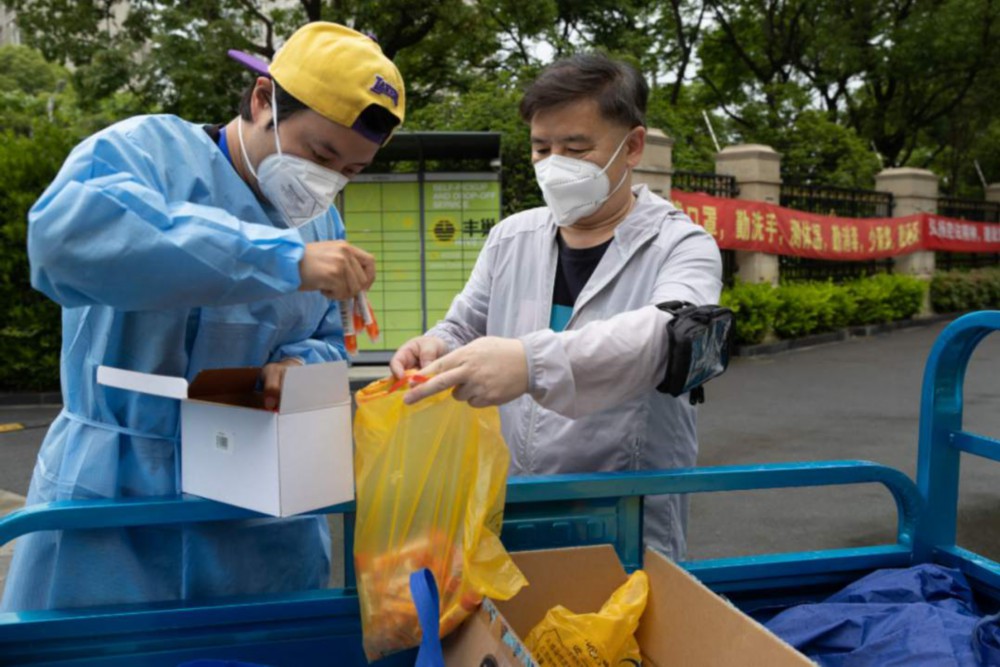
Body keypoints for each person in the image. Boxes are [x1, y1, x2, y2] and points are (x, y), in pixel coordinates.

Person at [1, 22, 405, 611]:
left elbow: (328, 334)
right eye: (321, 154)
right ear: (264, 98)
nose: (330, 181)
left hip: (257, 512)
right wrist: (283, 258)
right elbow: (65, 240)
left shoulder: (322, 225)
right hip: (114, 497)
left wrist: (300, 363)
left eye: (352, 170)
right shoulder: (146, 153)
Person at [391, 53, 721, 560]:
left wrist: (528, 365)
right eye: (541, 148)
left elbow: (668, 337)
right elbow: (463, 323)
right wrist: (436, 344)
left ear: (632, 146)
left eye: (575, 147)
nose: (553, 165)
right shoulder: (511, 238)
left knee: (620, 633)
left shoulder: (681, 245)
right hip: (513, 500)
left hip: (623, 511)